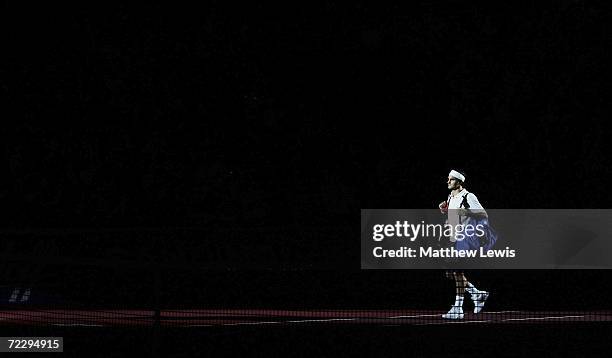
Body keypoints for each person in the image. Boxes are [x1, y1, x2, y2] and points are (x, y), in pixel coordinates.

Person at [438, 169, 490, 320]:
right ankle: (477, 294)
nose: (448, 181)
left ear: (459, 182)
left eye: (451, 179)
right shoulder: (450, 196)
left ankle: (458, 307)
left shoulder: (469, 196)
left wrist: (467, 213)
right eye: (448, 179)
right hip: (451, 238)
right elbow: (452, 215)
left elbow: (483, 214)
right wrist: (444, 209)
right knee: (452, 272)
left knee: (457, 271)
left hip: (465, 238)